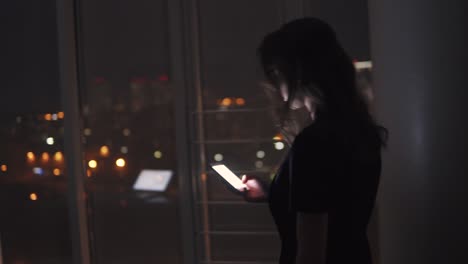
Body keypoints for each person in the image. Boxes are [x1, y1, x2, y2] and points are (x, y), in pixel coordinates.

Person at [239, 17, 387, 264]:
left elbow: (311, 252)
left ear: (297, 72)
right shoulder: (360, 131)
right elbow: (337, 206)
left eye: (276, 72)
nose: (275, 84)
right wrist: (272, 192)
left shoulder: (313, 143)